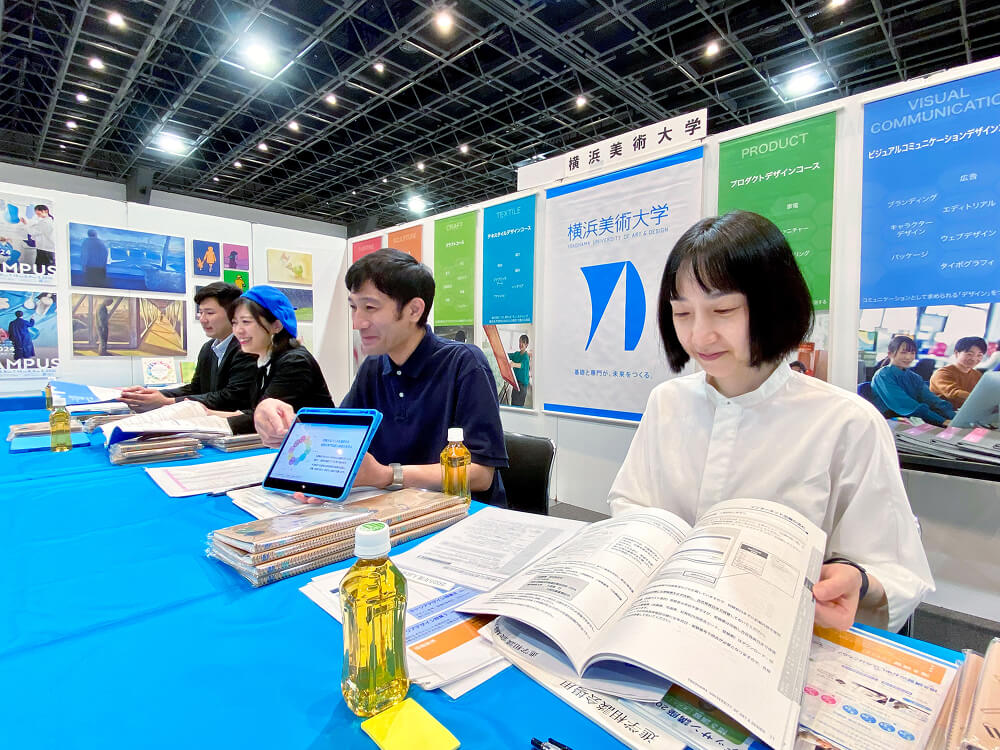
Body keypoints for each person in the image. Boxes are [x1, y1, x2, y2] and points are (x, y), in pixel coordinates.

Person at [607, 211, 932, 633]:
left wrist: (859, 579)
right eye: (682, 314)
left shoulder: (847, 422)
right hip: (664, 621)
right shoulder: (667, 402)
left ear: (774, 305)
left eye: (723, 310)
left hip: (776, 634)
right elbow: (630, 502)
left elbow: (895, 568)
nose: (700, 336)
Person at [253, 249, 509, 506]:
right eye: (354, 307)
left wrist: (387, 476)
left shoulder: (464, 363)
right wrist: (279, 418)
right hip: (390, 505)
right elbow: (339, 436)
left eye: (370, 307)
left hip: (458, 512)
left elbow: (481, 474)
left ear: (414, 310)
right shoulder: (373, 367)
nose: (357, 322)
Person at [118, 282, 256, 413]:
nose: (202, 319)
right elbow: (196, 388)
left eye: (209, 313)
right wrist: (151, 394)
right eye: (200, 312)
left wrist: (167, 401)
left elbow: (232, 397)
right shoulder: (208, 348)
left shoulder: (248, 348)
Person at [225, 285, 333, 434]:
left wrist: (205, 423)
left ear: (276, 325)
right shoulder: (265, 360)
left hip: (318, 443)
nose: (238, 330)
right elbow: (255, 412)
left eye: (246, 322)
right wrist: (207, 414)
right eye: (234, 323)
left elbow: (264, 419)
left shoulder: (295, 362)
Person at [871, 335, 954, 426]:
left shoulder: (914, 377)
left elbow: (932, 400)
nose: (908, 357)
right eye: (903, 353)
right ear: (890, 354)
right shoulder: (883, 375)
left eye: (912, 353)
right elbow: (906, 405)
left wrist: (954, 417)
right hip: (889, 422)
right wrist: (941, 420)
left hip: (911, 419)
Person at [929, 336, 986, 409]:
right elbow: (954, 393)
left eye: (979, 355)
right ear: (956, 353)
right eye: (969, 354)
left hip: (966, 411)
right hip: (943, 412)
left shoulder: (977, 375)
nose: (974, 359)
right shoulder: (942, 373)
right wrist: (981, 400)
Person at [21, 205, 55, 269]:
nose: (38, 216)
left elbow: (33, 232)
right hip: (45, 249)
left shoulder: (46, 222)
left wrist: (25, 224)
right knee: (43, 268)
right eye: (37, 214)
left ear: (46, 211)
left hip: (45, 250)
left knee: (41, 269)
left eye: (38, 214)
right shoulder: (45, 221)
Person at [508, 334, 531, 407]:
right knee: (513, 402)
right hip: (516, 383)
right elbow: (507, 355)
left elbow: (521, 365)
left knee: (519, 405)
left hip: (522, 386)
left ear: (526, 345)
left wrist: (514, 364)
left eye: (523, 342)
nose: (521, 344)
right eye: (520, 342)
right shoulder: (516, 354)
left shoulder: (526, 356)